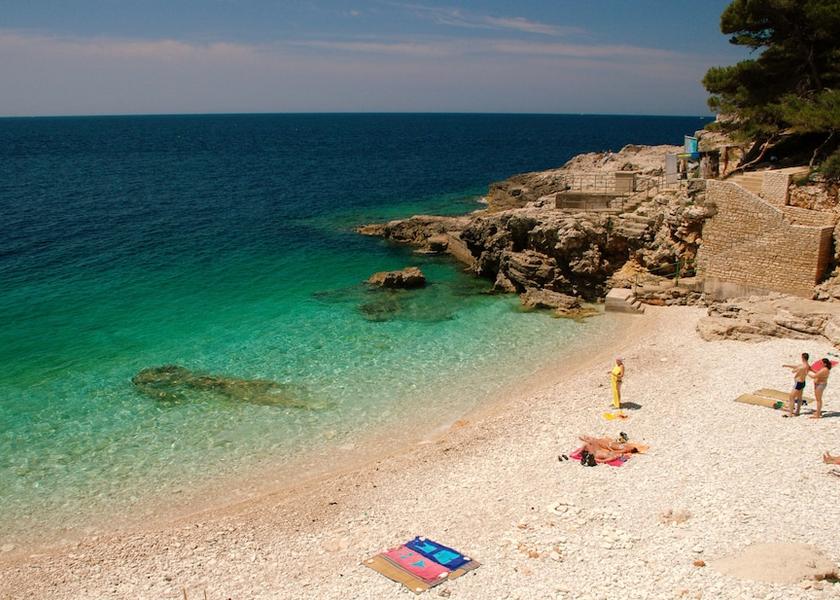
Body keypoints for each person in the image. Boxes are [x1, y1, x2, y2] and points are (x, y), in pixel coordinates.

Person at [782, 352, 810, 417]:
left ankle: (790, 414)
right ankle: (797, 412)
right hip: (803, 382)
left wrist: (795, 369)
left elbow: (794, 371)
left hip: (798, 383)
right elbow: (797, 366)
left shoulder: (802, 367)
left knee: (791, 397)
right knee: (799, 398)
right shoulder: (807, 365)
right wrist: (787, 365)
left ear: (802, 358)